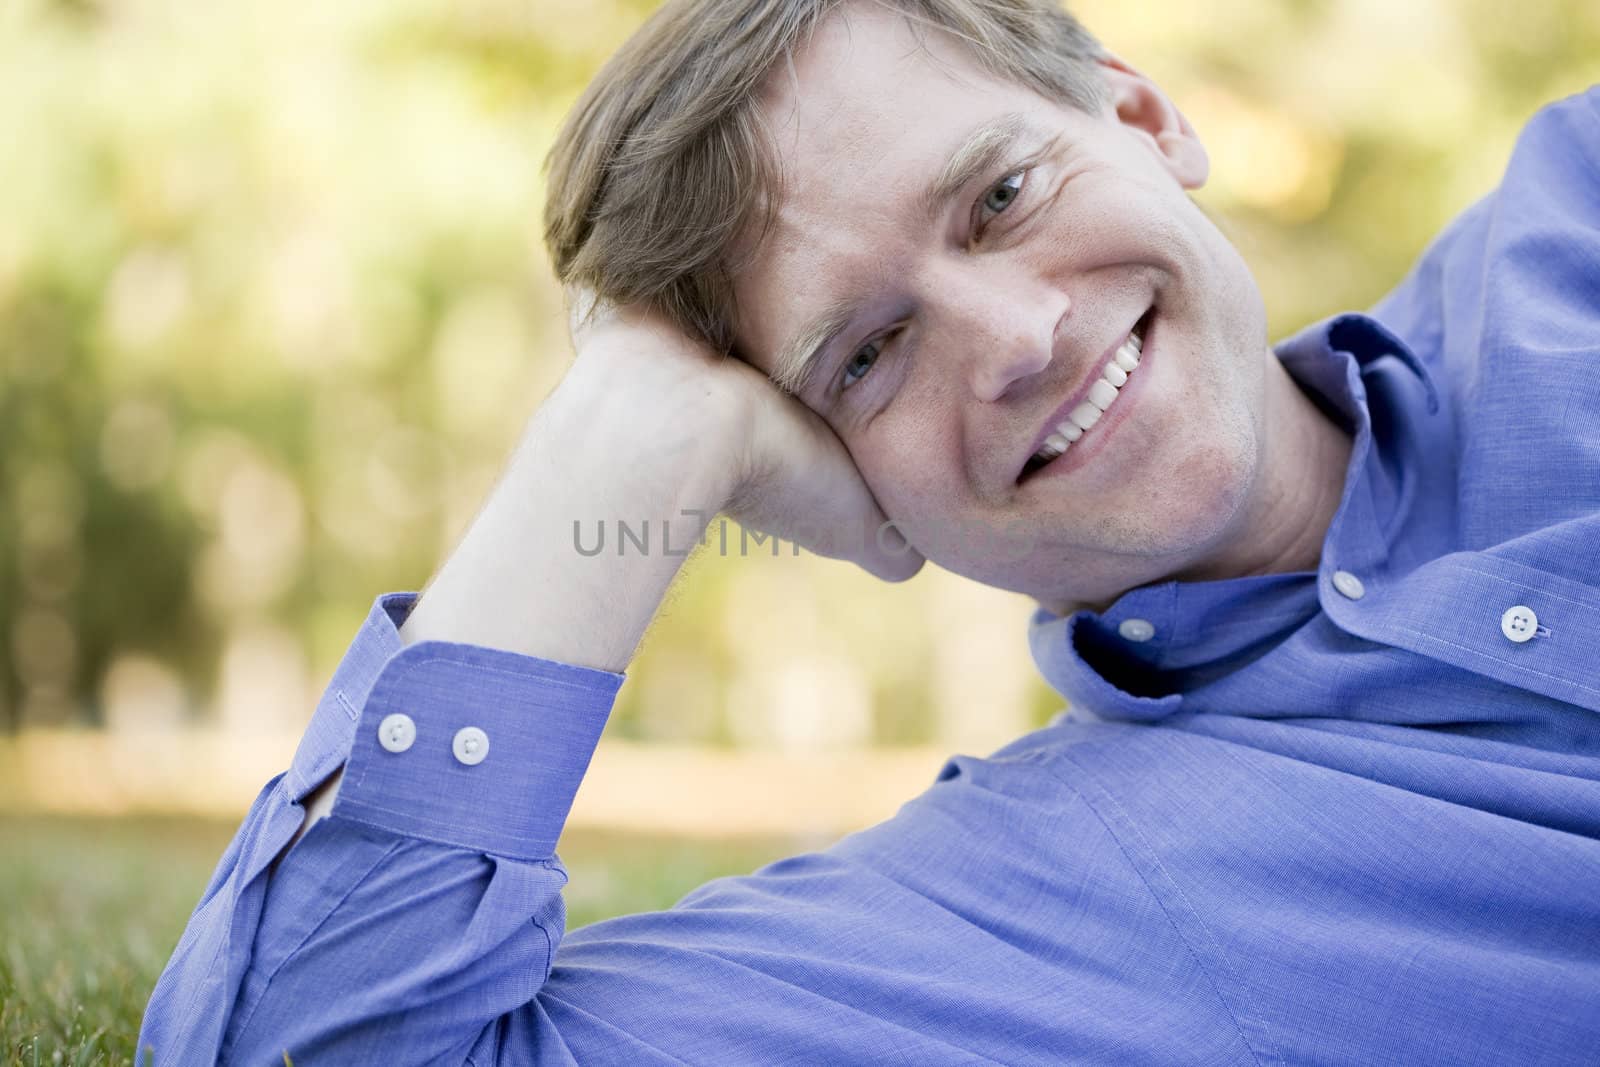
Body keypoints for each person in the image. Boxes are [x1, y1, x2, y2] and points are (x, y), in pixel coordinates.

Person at [136, 0, 1600, 1062]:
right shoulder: (1030, 907)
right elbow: (307, 1043)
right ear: (837, 475)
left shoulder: (1574, 223)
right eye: (867, 355)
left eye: (1002, 195)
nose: (1018, 336)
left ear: (1145, 118)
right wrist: (629, 444)